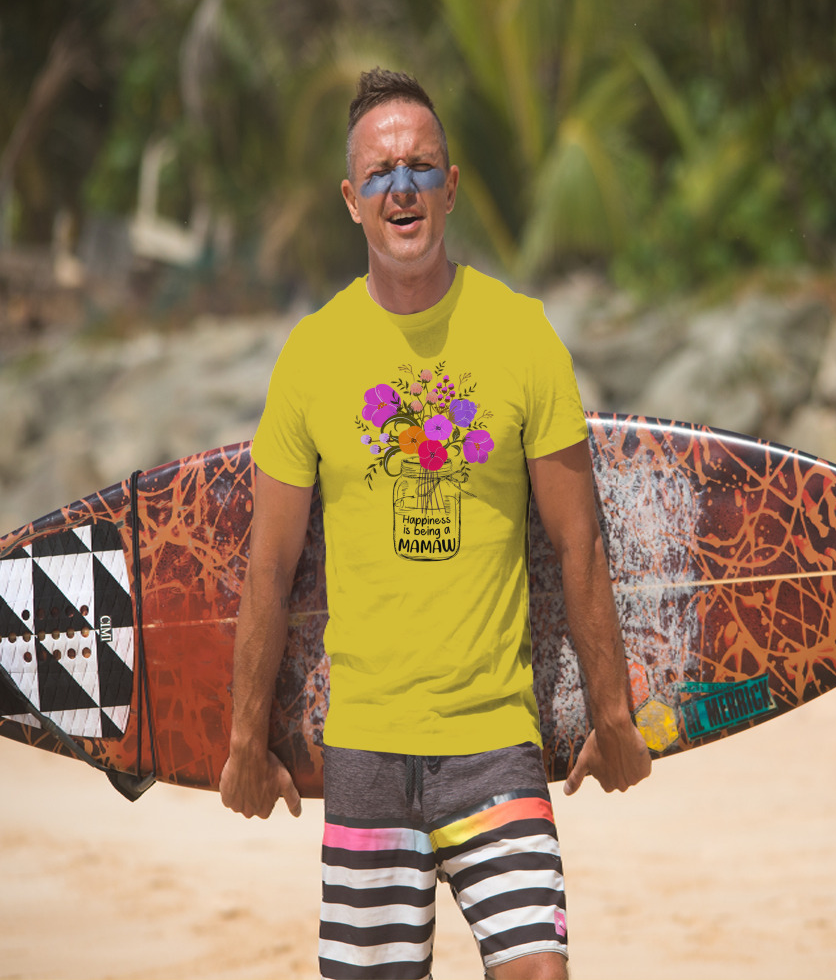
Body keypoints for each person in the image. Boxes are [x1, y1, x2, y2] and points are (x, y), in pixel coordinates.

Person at [220, 67, 651, 980]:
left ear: (450, 187)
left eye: (420, 167)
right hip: (366, 749)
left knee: (540, 970)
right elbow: (269, 566)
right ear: (351, 201)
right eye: (380, 173)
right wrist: (244, 739)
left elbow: (578, 542)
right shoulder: (312, 355)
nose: (402, 187)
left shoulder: (523, 336)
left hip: (495, 743)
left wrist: (612, 712)